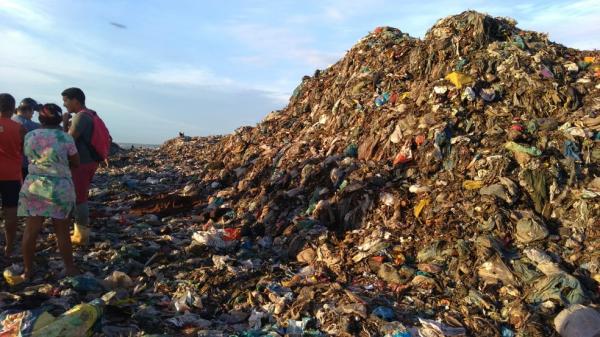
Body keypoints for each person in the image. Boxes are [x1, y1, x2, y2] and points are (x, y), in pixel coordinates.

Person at [19, 103, 79, 279]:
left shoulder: (30, 135)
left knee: (31, 230)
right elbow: (76, 162)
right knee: (62, 230)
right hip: (59, 188)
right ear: (60, 119)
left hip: (34, 186)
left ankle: (28, 270)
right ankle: (69, 268)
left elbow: (27, 156)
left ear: (40, 118)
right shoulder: (66, 138)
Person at [61, 88, 100, 245]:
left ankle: (81, 236)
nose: (64, 105)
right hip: (89, 161)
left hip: (82, 162)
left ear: (75, 100)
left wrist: (64, 124)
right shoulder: (90, 114)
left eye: (66, 101)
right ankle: (78, 231)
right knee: (79, 196)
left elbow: (67, 142)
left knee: (79, 198)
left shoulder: (81, 117)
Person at [0, 93, 25, 258]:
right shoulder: (20, 129)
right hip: (11, 175)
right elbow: (23, 151)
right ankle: (9, 247)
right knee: (11, 211)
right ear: (13, 108)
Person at [12, 98, 41, 179]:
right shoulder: (33, 125)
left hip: (11, 163)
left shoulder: (11, 121)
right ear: (29, 110)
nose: (32, 115)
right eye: (33, 112)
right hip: (25, 164)